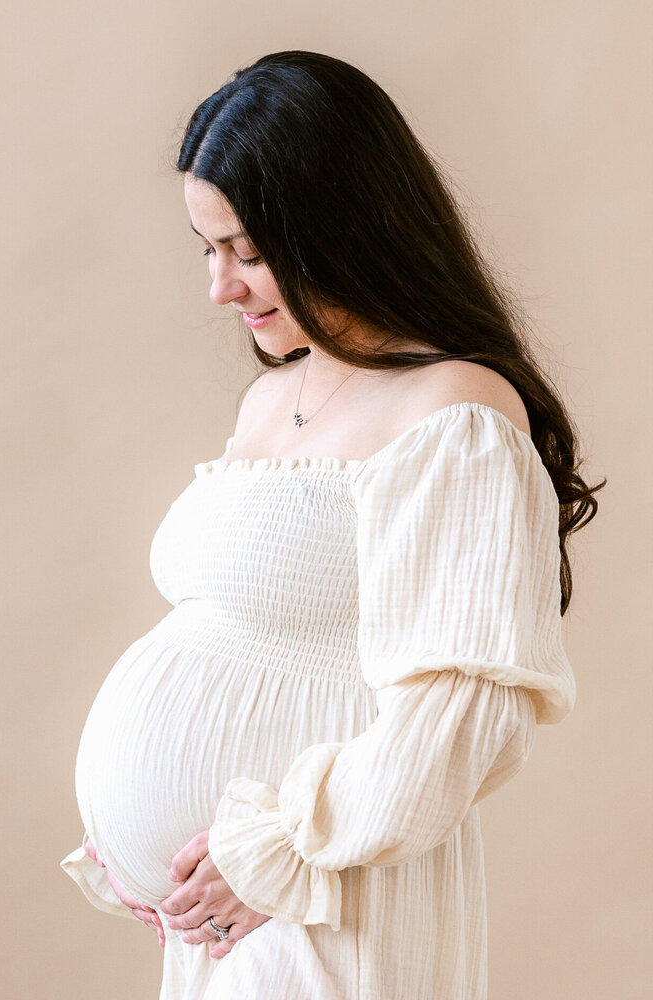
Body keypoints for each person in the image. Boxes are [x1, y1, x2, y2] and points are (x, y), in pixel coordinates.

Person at [60, 50, 605, 999]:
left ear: (340, 230)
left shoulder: (456, 414)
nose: (221, 289)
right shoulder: (277, 399)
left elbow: (461, 718)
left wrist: (270, 850)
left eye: (249, 252)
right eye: (208, 249)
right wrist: (145, 841)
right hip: (231, 914)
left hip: (323, 899)